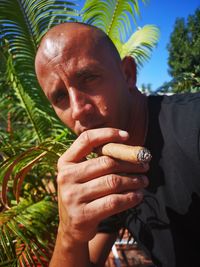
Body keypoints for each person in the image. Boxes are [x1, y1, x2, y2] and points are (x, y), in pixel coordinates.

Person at [35, 22, 200, 267]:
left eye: (89, 77)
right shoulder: (106, 172)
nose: (78, 110)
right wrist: (69, 236)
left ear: (127, 74)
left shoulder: (193, 123)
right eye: (60, 96)